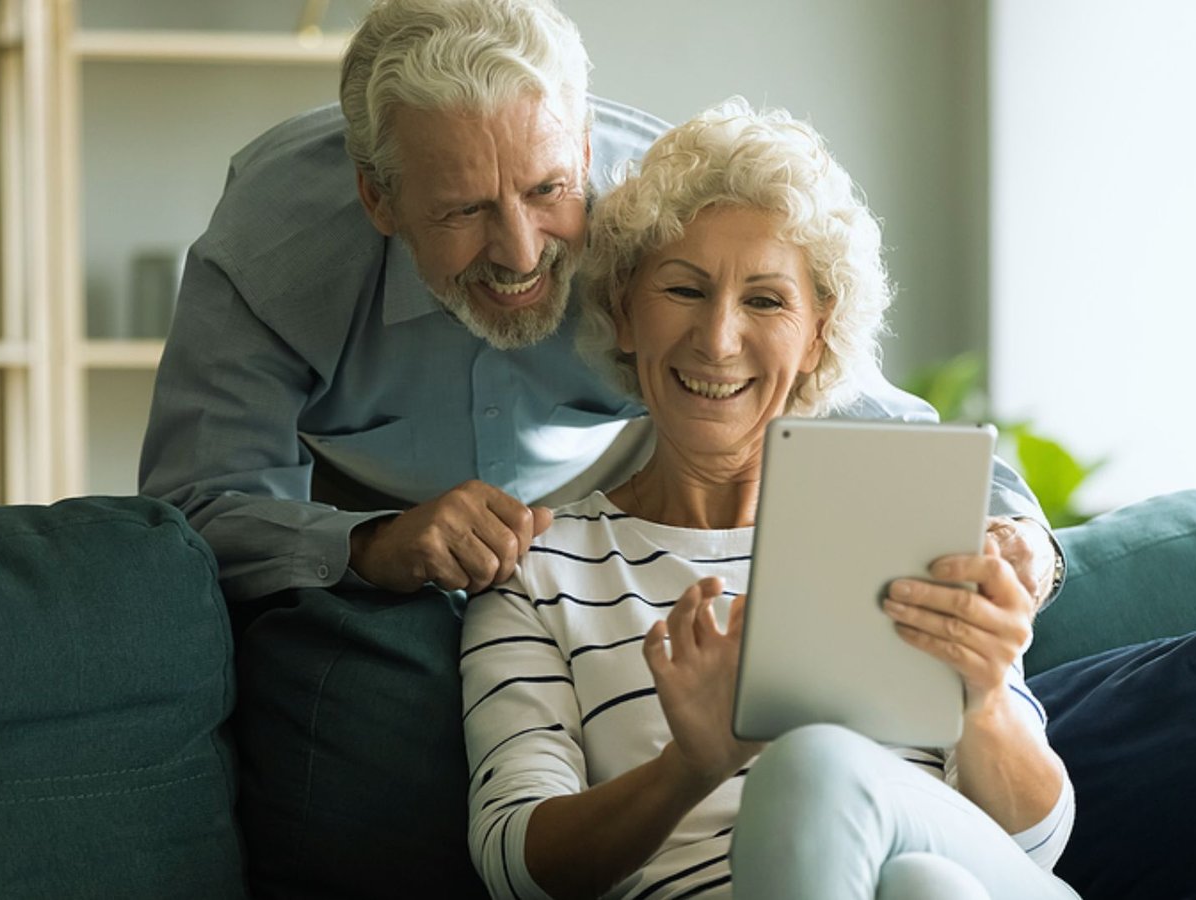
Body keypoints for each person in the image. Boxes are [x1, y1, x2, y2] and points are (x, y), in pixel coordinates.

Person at [136, 0, 1064, 612]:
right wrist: (373, 545)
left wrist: (1021, 537)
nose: (519, 251)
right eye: (462, 210)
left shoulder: (663, 205)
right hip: (355, 509)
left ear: (582, 148)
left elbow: (863, 413)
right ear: (379, 198)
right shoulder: (268, 250)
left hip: (615, 494)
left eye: (547, 190)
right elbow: (196, 510)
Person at [461, 99, 1078, 900]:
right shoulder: (537, 572)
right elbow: (516, 869)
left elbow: (1036, 848)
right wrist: (690, 767)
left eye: (765, 300)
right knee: (929, 889)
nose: (718, 340)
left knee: (870, 815)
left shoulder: (909, 531)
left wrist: (988, 697)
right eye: (684, 290)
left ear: (818, 334)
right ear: (622, 314)